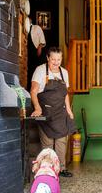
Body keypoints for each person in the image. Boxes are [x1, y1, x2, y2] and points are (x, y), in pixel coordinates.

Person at [30, 47, 76, 177]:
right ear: (48, 58)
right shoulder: (40, 70)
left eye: (59, 59)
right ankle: (48, 169)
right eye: (53, 59)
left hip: (60, 112)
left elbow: (65, 94)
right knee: (48, 142)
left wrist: (69, 110)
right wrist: (37, 108)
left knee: (62, 141)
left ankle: (61, 168)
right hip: (46, 111)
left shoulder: (64, 72)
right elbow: (33, 91)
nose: (56, 62)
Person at [27, 23, 47, 91]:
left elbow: (42, 39)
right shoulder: (25, 29)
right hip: (29, 53)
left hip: (36, 51)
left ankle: (39, 89)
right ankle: (31, 89)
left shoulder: (36, 28)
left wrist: (40, 47)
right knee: (30, 71)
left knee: (37, 70)